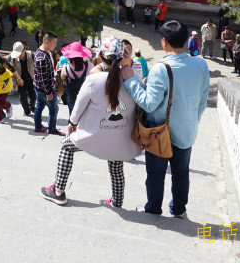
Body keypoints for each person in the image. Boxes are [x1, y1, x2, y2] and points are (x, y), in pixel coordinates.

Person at [121, 20, 210, 219]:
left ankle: (153, 207)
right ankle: (179, 210)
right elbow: (203, 99)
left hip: (160, 131)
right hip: (187, 131)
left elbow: (149, 104)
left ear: (164, 42)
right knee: (181, 173)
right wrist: (192, 120)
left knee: (155, 173)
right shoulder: (201, 64)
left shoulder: (161, 68)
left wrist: (130, 82)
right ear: (186, 40)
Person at [41, 38, 142, 207]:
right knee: (116, 163)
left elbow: (78, 107)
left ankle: (58, 191)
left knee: (67, 146)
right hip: (123, 138)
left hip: (94, 135)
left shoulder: (93, 79)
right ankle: (117, 201)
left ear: (102, 56)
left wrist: (72, 123)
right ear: (123, 56)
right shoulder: (135, 77)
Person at [33, 32, 63, 135]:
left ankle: (38, 127)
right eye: (54, 42)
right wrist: (48, 93)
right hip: (44, 90)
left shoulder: (43, 51)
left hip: (38, 87)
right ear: (46, 42)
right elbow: (43, 78)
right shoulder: (42, 58)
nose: (55, 45)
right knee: (54, 109)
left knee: (39, 107)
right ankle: (52, 129)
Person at [11, 41, 36, 116]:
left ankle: (32, 107)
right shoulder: (14, 58)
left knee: (33, 96)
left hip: (32, 79)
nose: (18, 56)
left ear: (24, 50)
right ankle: (26, 111)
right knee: (23, 98)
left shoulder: (32, 55)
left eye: (19, 54)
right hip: (20, 80)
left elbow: (37, 68)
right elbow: (12, 70)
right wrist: (14, 83)